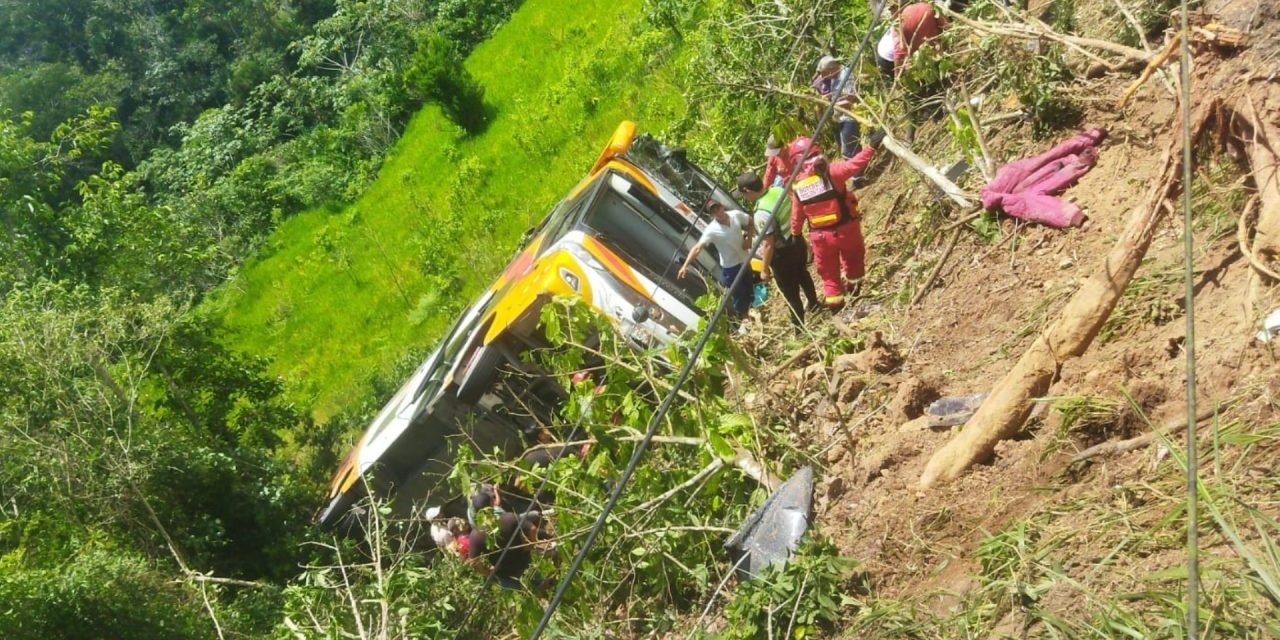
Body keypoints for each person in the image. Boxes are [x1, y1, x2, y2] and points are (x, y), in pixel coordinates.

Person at [787, 132, 884, 310]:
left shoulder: (798, 186)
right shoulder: (833, 172)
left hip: (821, 238)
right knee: (853, 261)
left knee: (829, 275)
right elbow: (855, 165)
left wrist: (795, 235)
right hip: (847, 230)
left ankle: (836, 307)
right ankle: (856, 292)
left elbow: (796, 216)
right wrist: (872, 146)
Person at [737, 171, 819, 327]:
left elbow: (768, 244)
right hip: (797, 240)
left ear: (747, 191)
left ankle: (799, 326)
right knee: (803, 275)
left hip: (782, 255)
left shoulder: (761, 212)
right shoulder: (778, 191)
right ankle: (814, 304)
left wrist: (764, 269)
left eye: (743, 194)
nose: (744, 197)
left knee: (790, 292)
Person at [677, 199, 754, 321]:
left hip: (744, 259)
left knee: (749, 286)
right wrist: (685, 265)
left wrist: (748, 240)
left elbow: (750, 221)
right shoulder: (711, 230)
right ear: (711, 215)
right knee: (738, 293)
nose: (718, 212)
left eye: (718, 208)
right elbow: (697, 248)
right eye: (714, 212)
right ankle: (745, 317)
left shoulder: (735, 215)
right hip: (730, 266)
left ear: (722, 207)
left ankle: (755, 309)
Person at [811, 55, 861, 159]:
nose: (823, 78)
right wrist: (826, 97)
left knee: (848, 151)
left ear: (830, 70)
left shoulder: (846, 76)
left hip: (849, 117)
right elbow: (838, 93)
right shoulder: (834, 76)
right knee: (849, 146)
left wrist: (829, 104)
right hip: (840, 117)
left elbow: (850, 100)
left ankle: (857, 174)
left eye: (824, 74)